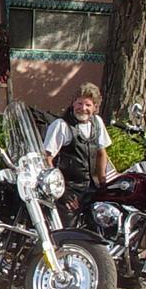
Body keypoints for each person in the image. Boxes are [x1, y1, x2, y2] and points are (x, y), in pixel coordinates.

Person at [43, 82, 112, 210]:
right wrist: (61, 191)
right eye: (79, 103)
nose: (83, 108)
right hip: (69, 190)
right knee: (69, 228)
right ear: (73, 103)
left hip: (92, 189)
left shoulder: (97, 122)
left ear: (95, 107)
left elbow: (101, 152)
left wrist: (103, 182)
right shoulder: (61, 125)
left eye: (88, 105)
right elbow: (47, 159)